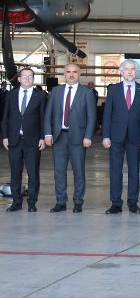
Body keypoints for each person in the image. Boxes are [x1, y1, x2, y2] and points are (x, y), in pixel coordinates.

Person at [43, 63, 97, 213]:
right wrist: (48, 133)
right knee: (59, 172)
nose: (71, 74)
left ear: (79, 74)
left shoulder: (87, 93)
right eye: (68, 72)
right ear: (64, 74)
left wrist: (88, 136)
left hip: (79, 138)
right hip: (59, 137)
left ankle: (78, 202)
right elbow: (48, 114)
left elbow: (92, 117)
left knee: (79, 171)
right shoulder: (56, 91)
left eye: (74, 72)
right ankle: (61, 201)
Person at [102, 59, 140, 214]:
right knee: (115, 170)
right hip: (116, 136)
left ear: (136, 72)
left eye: (132, 69)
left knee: (134, 171)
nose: (129, 72)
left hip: (135, 137)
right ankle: (116, 203)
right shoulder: (113, 89)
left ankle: (133, 203)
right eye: (127, 69)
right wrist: (106, 135)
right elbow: (107, 113)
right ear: (121, 72)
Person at [2, 67, 47, 212]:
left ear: (33, 79)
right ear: (19, 79)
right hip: (14, 140)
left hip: (33, 141)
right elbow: (5, 117)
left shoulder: (40, 96)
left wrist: (42, 137)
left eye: (30, 76)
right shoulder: (11, 95)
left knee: (33, 173)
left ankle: (32, 203)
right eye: (24, 76)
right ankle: (16, 202)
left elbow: (43, 118)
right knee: (15, 172)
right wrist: (5, 136)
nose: (27, 79)